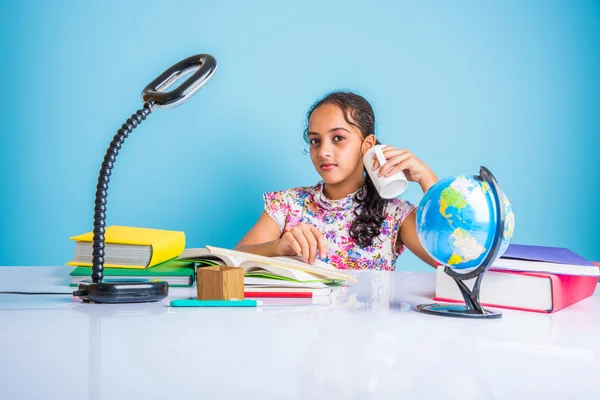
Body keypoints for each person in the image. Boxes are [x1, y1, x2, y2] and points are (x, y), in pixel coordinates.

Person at [235, 91, 438, 270]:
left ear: (367, 145)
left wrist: (428, 181)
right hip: (298, 314)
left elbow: (459, 268)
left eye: (338, 138)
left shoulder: (394, 214)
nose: (323, 152)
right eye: (315, 141)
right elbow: (229, 263)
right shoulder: (287, 204)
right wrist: (277, 247)